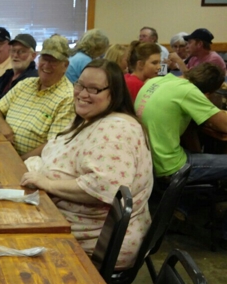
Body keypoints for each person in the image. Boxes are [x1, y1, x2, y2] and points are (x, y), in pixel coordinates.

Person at [20, 59, 153, 270]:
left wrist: (47, 183)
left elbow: (105, 187)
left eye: (94, 89)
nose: (82, 94)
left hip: (96, 242)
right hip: (65, 222)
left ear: (114, 93)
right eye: (80, 85)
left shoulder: (115, 131)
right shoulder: (94, 118)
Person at [135, 63, 227, 184]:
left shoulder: (156, 81)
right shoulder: (188, 90)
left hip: (148, 162)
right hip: (170, 167)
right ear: (207, 93)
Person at [0, 35, 75, 159]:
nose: (46, 65)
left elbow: (53, 145)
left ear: (65, 65)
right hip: (1, 150)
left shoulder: (68, 98)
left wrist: (18, 162)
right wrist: (3, 127)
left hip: (29, 165)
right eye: (44, 58)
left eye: (53, 60)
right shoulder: (26, 84)